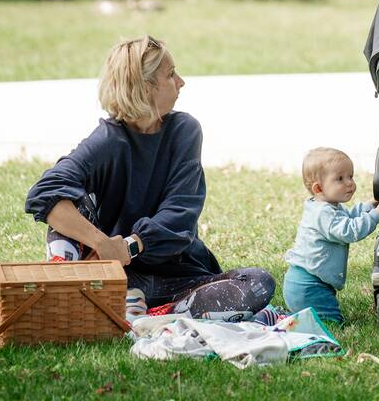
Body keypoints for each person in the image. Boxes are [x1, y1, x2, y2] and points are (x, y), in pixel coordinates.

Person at [25, 36, 275, 321]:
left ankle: (156, 313)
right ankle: (72, 286)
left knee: (258, 283)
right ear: (146, 88)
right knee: (68, 197)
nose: (181, 81)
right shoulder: (108, 140)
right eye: (170, 75)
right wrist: (102, 244)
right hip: (118, 278)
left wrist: (129, 245)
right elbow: (46, 191)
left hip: (179, 279)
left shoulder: (184, 130)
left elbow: (180, 215)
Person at [283, 147, 379, 324]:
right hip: (309, 285)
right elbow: (350, 230)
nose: (349, 183)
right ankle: (289, 320)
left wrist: (370, 206)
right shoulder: (323, 214)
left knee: (313, 319)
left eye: (350, 176)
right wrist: (378, 212)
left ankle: (291, 318)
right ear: (319, 188)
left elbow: (348, 216)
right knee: (332, 322)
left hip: (310, 281)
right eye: (340, 179)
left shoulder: (328, 206)